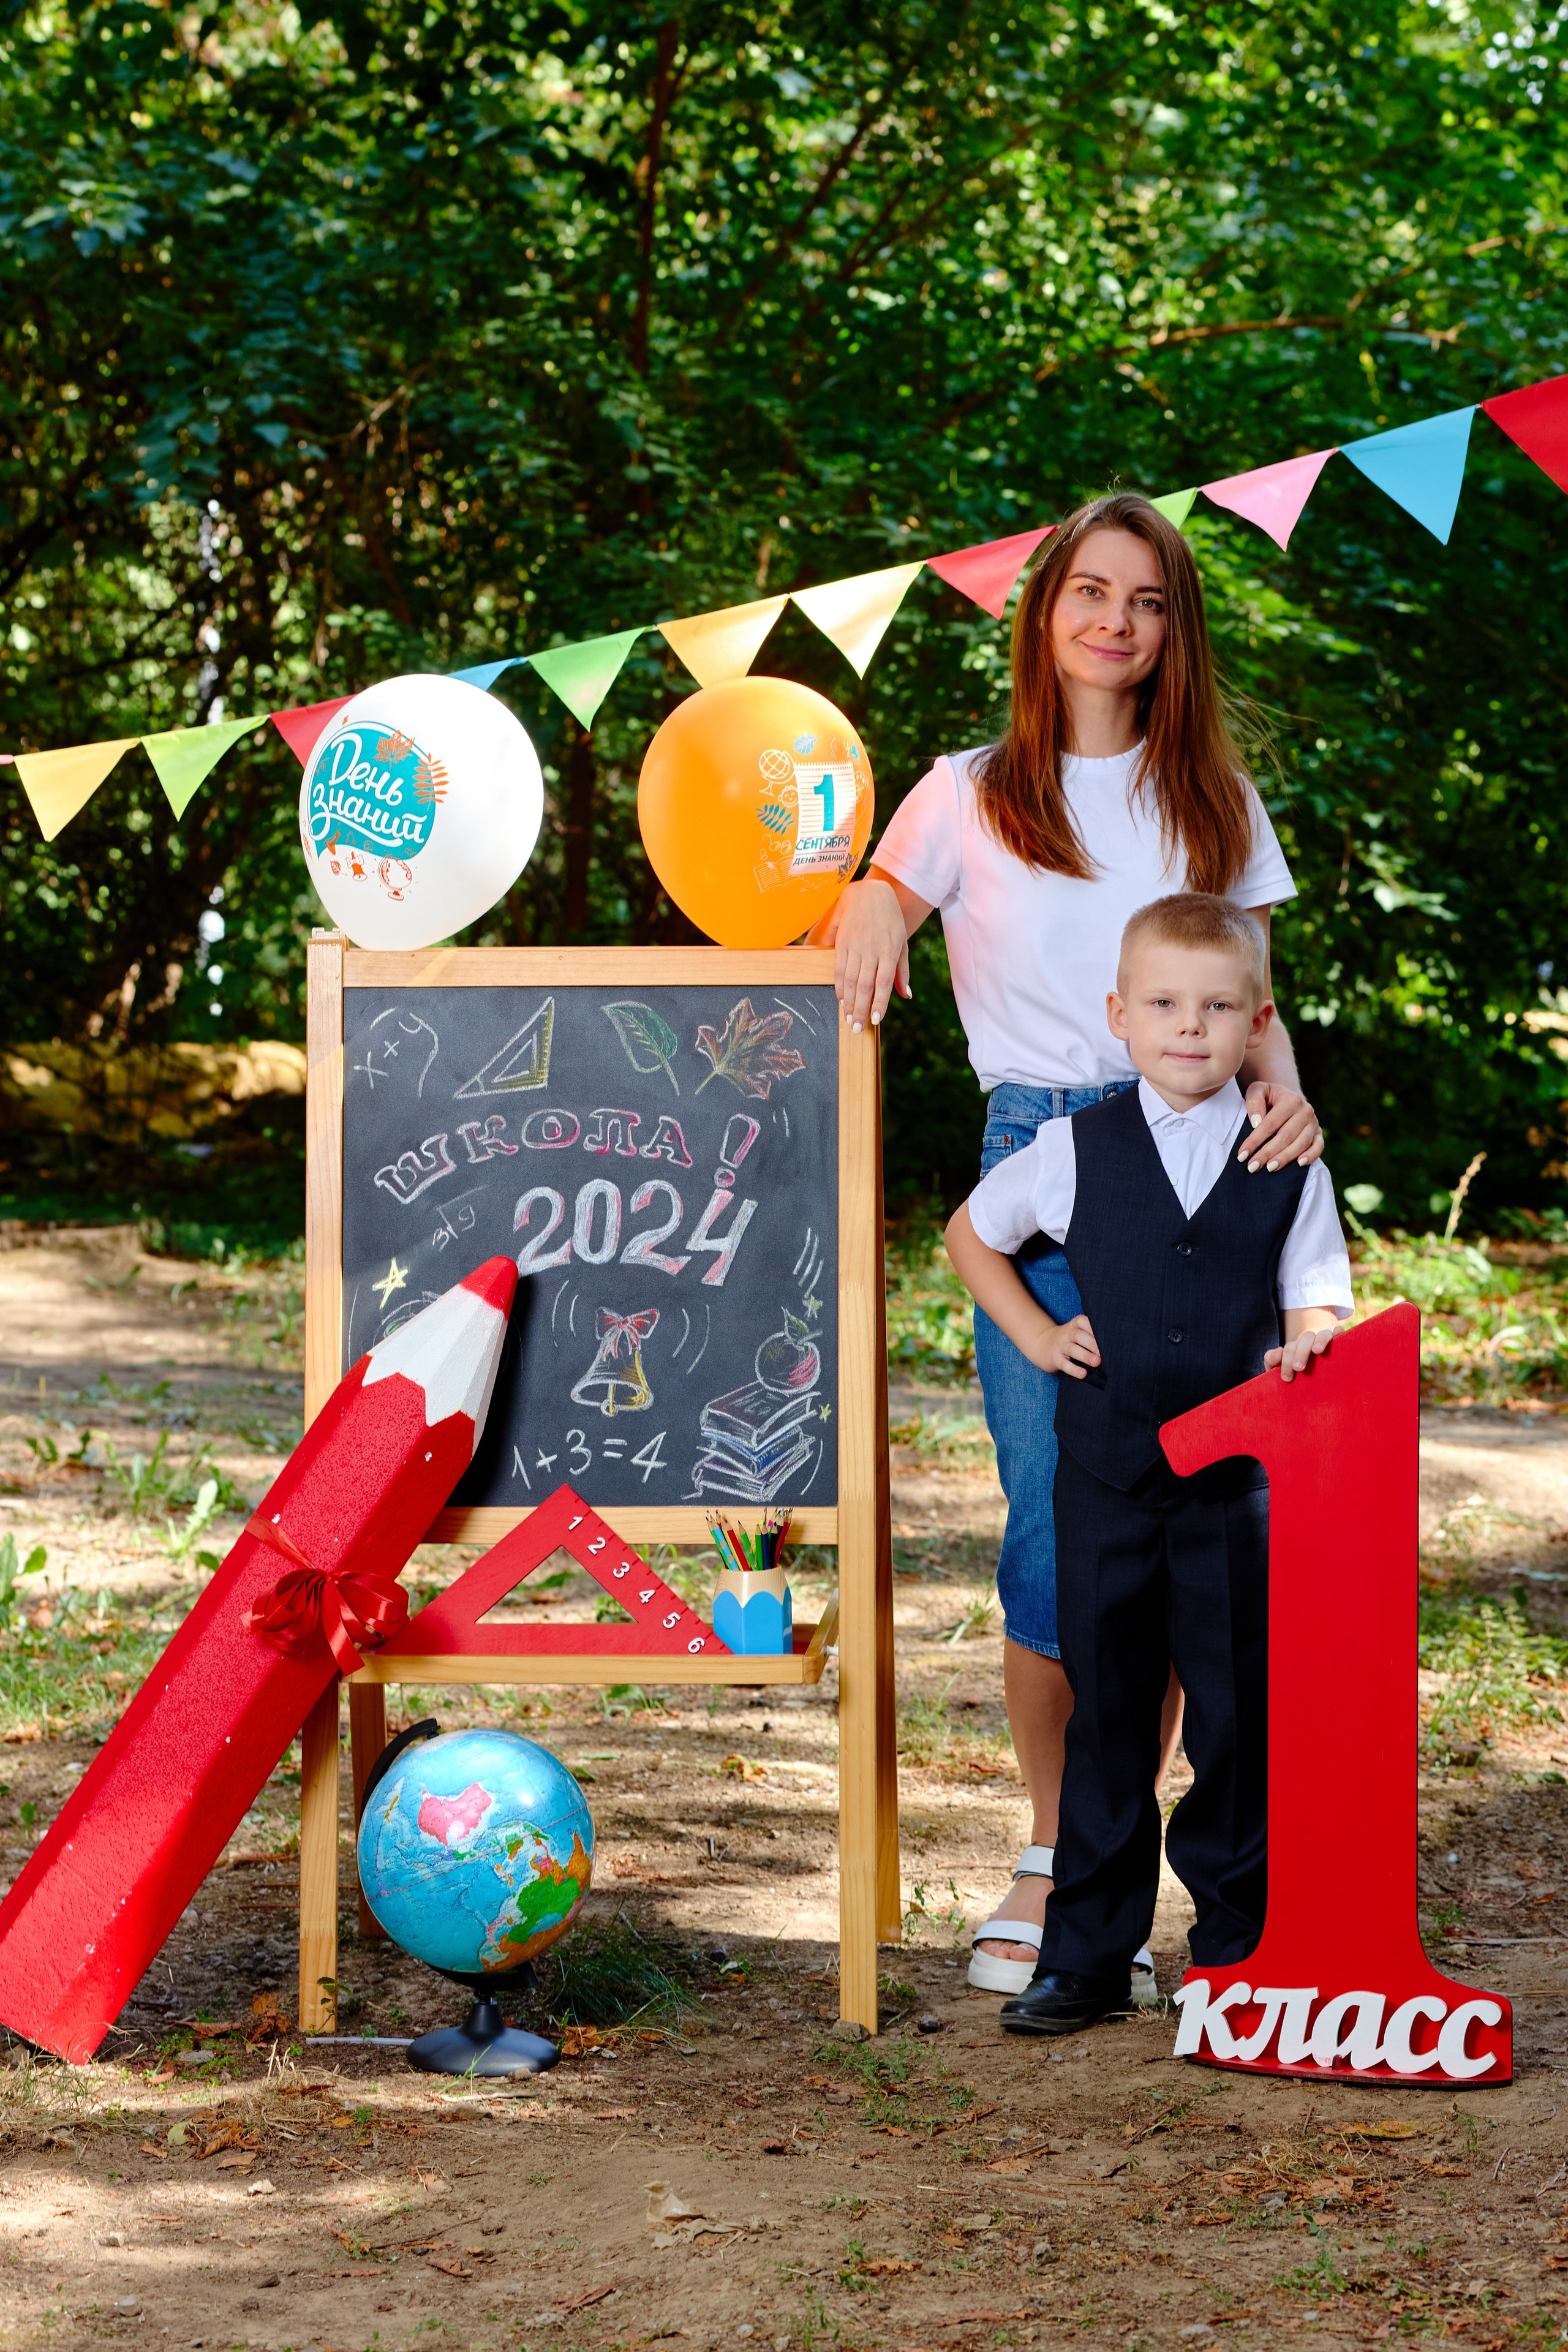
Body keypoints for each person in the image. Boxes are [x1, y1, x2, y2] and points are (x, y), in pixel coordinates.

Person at [812, 492, 1324, 1993]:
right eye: (1086, 592)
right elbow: (880, 904)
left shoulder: (1209, 792)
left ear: (1174, 631)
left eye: (1145, 600)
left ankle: (1151, 1885)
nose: (1113, 620)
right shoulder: (964, 791)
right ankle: (1055, 1859)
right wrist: (871, 908)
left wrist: (1278, 1102)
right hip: (1045, 1164)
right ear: (1040, 613)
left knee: (1182, 1531)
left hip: (1202, 1156)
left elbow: (1253, 998)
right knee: (1055, 1529)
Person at [944, 892, 1352, 2031]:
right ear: (1120, 1016)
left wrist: (1308, 1343)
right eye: (1165, 1005)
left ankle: (1236, 1953)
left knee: (1235, 1717)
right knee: (1108, 1715)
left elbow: (1318, 1292)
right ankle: (1084, 1954)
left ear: (1257, 1021)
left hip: (1234, 1493)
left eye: (1219, 1007)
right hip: (1108, 1480)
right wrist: (1036, 1336)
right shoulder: (1071, 1150)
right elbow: (972, 1235)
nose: (1191, 1026)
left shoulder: (1288, 1159)